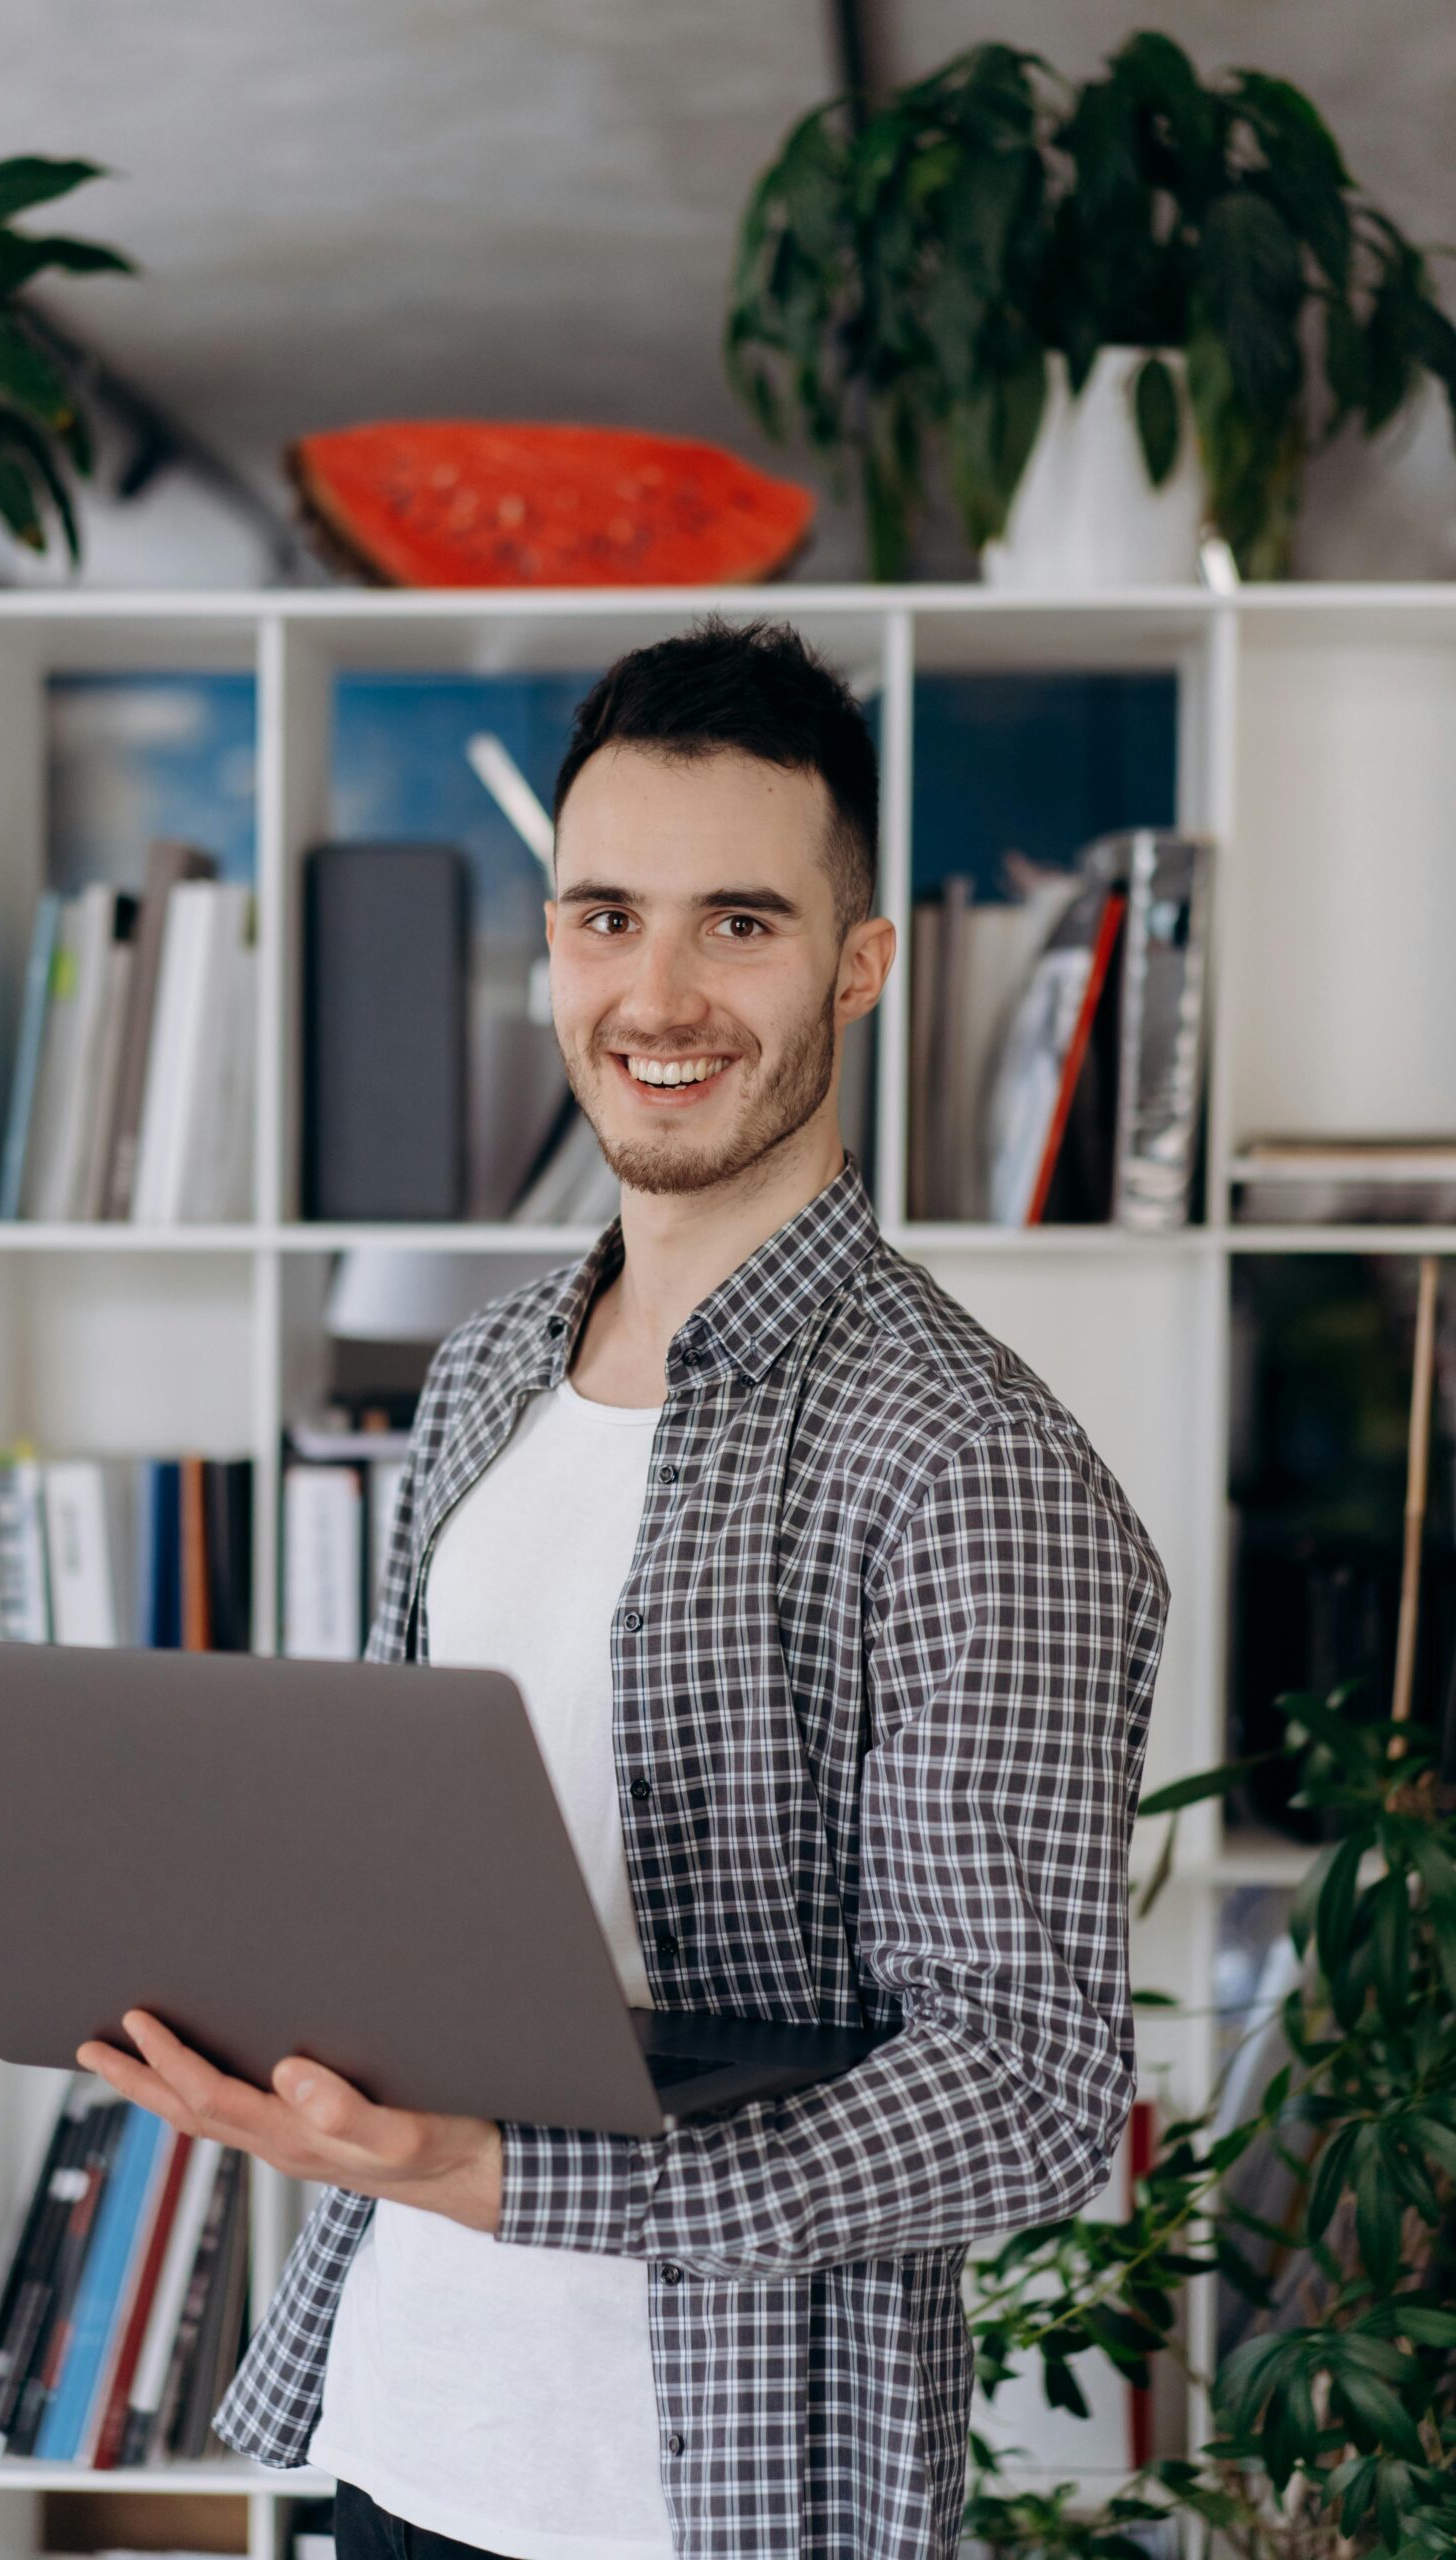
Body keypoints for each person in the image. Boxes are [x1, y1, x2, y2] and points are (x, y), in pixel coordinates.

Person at [78, 614, 1170, 2560]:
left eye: (735, 922)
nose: (654, 991)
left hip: (707, 2491)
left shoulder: (964, 1460)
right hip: (397, 2421)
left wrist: (519, 2174)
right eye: (602, 916)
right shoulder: (485, 1365)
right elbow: (418, 1870)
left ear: (857, 964)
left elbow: (1020, 2087)